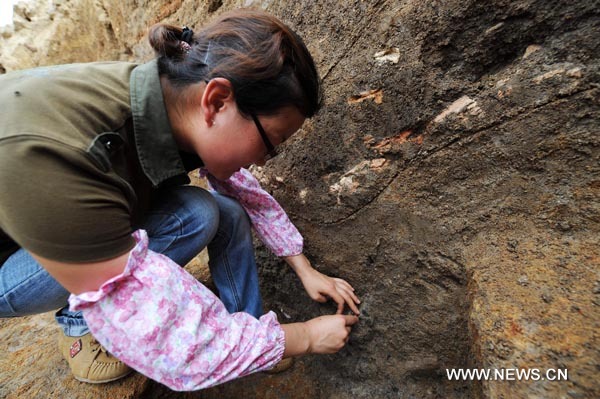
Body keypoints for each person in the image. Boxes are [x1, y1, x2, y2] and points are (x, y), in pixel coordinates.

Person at [0, 9, 360, 390]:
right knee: (190, 218)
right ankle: (81, 325)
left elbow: (246, 194)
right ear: (217, 100)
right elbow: (178, 348)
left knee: (211, 210)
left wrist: (305, 269)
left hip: (60, 223)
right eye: (270, 145)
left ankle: (251, 331)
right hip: (10, 262)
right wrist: (303, 336)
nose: (262, 160)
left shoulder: (167, 101)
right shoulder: (63, 152)